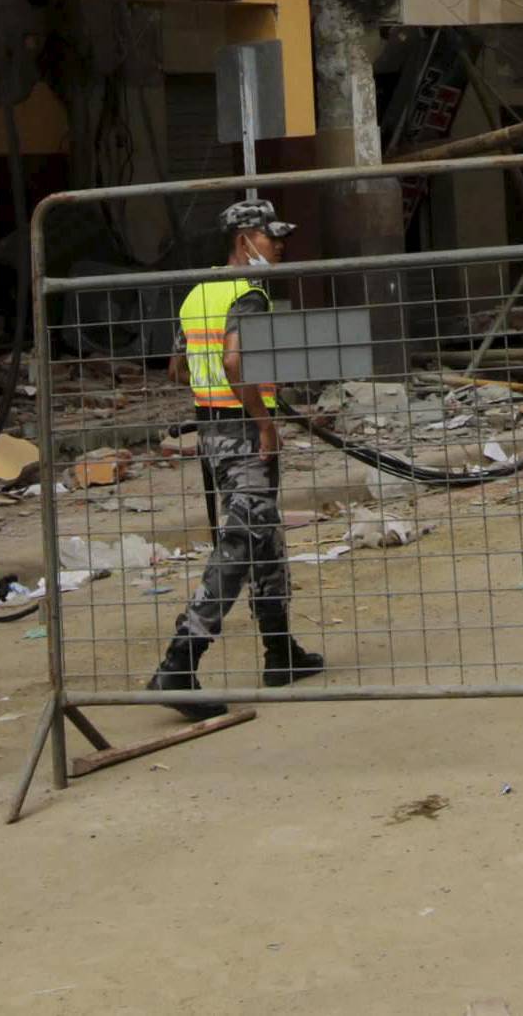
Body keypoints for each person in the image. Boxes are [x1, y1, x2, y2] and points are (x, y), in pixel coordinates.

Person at [146, 197, 324, 714]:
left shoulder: (199, 292)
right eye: (272, 237)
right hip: (245, 433)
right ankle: (180, 662)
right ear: (245, 240)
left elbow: (177, 368)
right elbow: (233, 359)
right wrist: (264, 422)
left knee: (263, 538)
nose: (281, 245)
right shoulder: (248, 296)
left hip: (212, 429)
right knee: (241, 542)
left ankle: (280, 651)